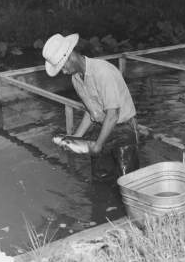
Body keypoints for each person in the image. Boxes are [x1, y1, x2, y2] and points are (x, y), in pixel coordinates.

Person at [42, 33, 140, 182]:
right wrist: (76, 137)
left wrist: (98, 145)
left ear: (72, 56)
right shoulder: (76, 78)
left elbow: (113, 115)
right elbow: (91, 110)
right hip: (101, 126)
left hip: (123, 129)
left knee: (129, 183)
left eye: (63, 67)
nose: (63, 72)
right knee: (101, 180)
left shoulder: (103, 72)